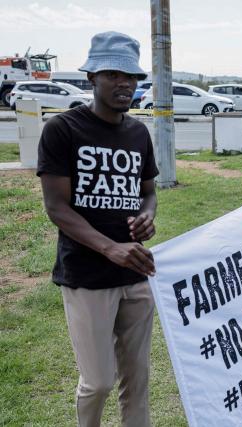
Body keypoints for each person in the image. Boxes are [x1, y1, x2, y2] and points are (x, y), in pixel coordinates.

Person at [37, 31, 158, 426]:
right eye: (114, 74)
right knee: (99, 381)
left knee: (137, 378)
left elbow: (148, 191)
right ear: (92, 77)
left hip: (136, 272)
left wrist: (147, 214)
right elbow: (57, 207)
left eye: (132, 76)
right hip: (87, 276)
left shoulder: (139, 133)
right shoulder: (63, 129)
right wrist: (110, 248)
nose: (125, 83)